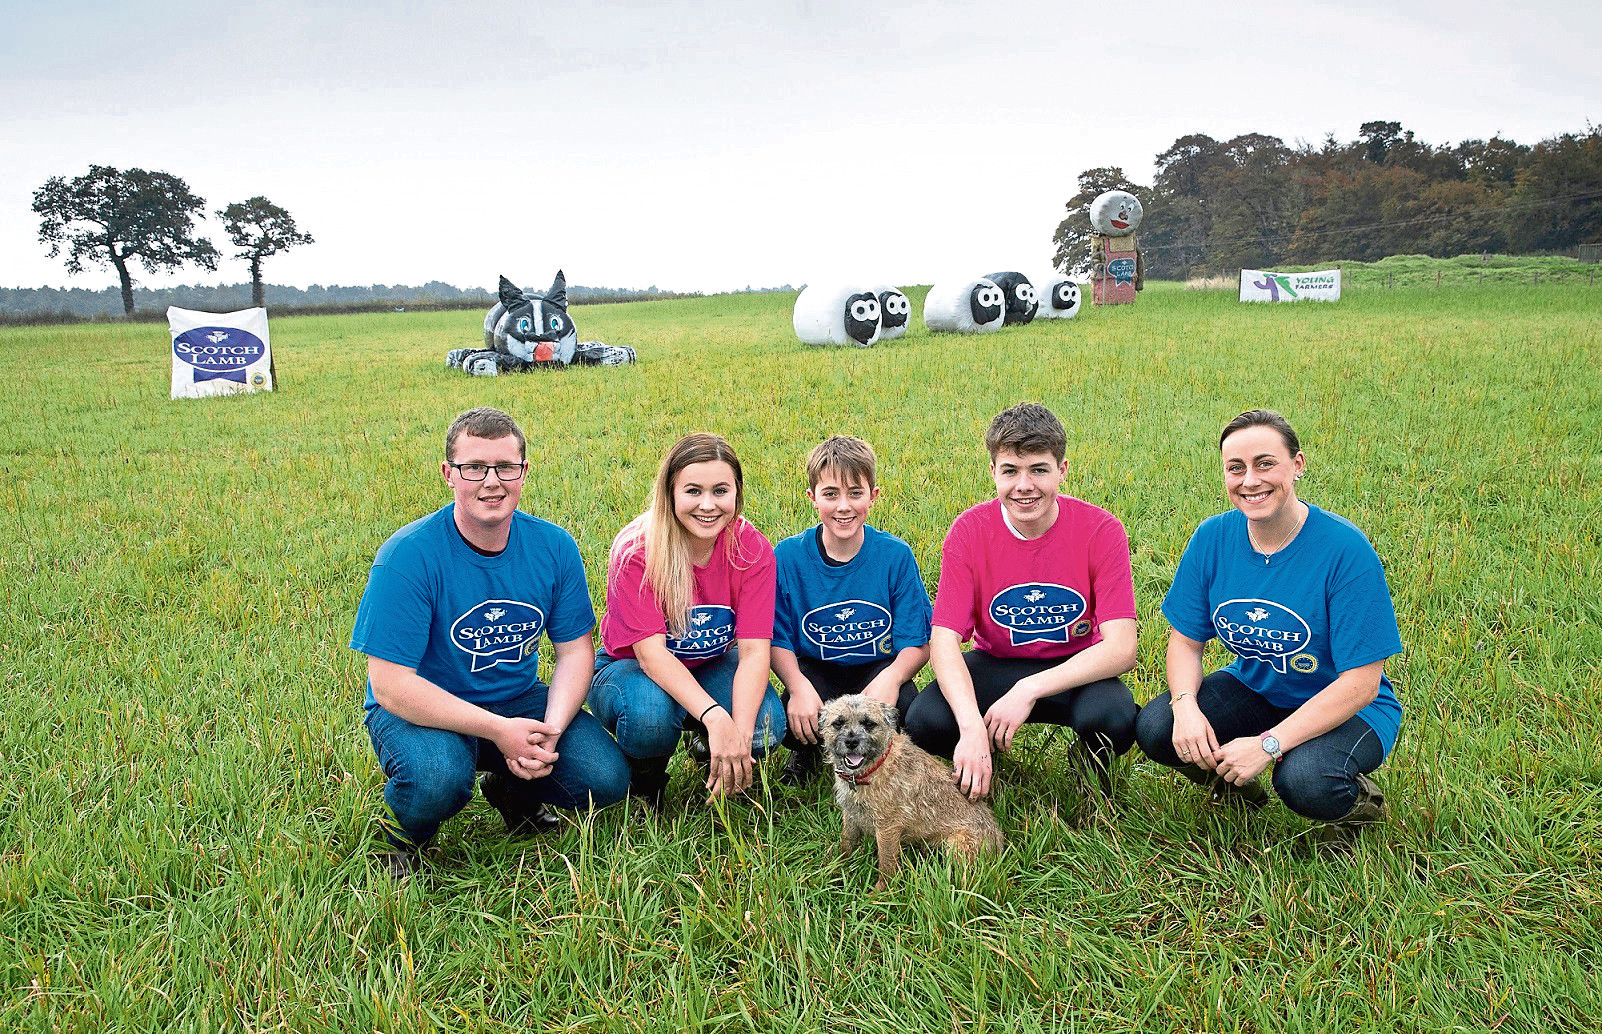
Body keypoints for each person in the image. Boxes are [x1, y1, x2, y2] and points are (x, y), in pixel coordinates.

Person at [351, 407, 628, 877]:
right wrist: (500, 732)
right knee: (438, 778)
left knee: (605, 779)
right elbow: (391, 685)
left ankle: (513, 794)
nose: (491, 482)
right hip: (426, 708)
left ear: (524, 472)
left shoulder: (553, 547)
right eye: (474, 468)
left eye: (505, 467)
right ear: (448, 474)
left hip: (516, 699)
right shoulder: (408, 556)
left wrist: (551, 730)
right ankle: (403, 834)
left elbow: (576, 650)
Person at [1134, 409, 1402, 826]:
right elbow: (1186, 641)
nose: (1250, 480)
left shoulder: (1345, 551)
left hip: (1349, 708)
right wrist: (1185, 707)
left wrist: (1268, 745)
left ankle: (1359, 808)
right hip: (1258, 688)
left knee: (1305, 779)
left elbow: (1361, 684)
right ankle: (1235, 786)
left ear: (1297, 465)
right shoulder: (1212, 539)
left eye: (1265, 463)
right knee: (1157, 727)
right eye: (1235, 468)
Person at [904, 402, 1139, 801]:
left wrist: (1028, 689)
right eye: (1011, 471)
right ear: (993, 471)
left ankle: (1086, 764)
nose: (1024, 485)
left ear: (1062, 471)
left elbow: (1122, 649)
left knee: (1113, 717)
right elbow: (943, 641)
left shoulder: (1101, 529)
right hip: (996, 662)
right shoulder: (969, 531)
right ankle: (981, 754)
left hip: (1073, 666)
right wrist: (971, 726)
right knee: (925, 721)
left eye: (1039, 470)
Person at [589, 433, 787, 808]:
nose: (708, 505)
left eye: (720, 491)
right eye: (693, 491)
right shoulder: (637, 550)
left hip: (710, 661)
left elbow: (754, 653)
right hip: (632, 668)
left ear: (737, 494)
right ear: (671, 493)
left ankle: (710, 753)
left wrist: (739, 738)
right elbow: (651, 657)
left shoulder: (752, 549)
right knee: (649, 717)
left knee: (766, 728)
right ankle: (646, 782)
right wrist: (715, 717)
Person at [770, 435, 932, 785]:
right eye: (831, 494)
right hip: (817, 670)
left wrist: (892, 676)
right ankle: (808, 751)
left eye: (855, 493)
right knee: (787, 716)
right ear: (812, 498)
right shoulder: (788, 557)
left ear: (873, 496)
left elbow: (918, 641)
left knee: (908, 711)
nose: (844, 506)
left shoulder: (895, 556)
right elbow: (776, 638)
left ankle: (883, 764)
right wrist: (797, 686)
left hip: (875, 668)